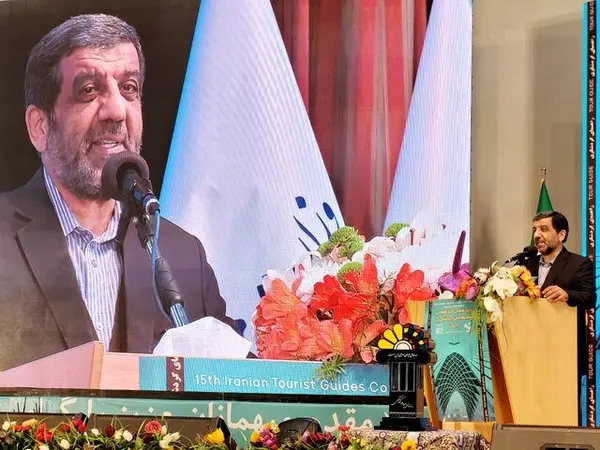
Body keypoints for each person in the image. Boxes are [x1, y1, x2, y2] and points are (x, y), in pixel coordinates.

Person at [0, 14, 237, 371]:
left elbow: (239, 388)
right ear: (40, 126)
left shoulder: (184, 257)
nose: (115, 111)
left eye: (128, 88)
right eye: (89, 90)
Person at [526, 210, 595, 421]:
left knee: (564, 412)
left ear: (561, 234)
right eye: (535, 230)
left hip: (563, 352)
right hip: (529, 352)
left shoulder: (579, 264)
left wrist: (567, 294)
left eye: (544, 229)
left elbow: (589, 297)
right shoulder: (526, 265)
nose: (537, 235)